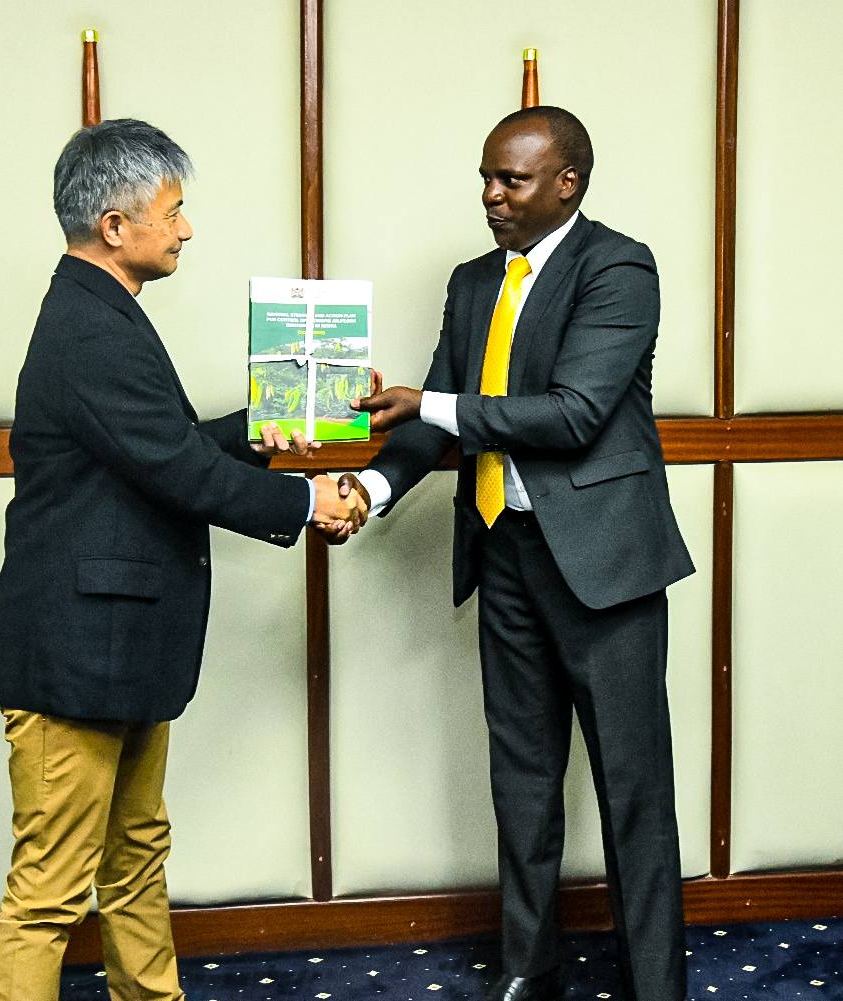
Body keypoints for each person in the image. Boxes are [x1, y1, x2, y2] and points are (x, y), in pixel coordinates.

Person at [0, 118, 366, 1001]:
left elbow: (158, 448)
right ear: (115, 226)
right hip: (78, 654)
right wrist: (310, 499)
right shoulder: (91, 327)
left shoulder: (97, 312)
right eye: (174, 210)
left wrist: (266, 434)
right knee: (47, 891)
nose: (186, 228)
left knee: (133, 857)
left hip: (116, 644)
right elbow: (175, 469)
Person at [328, 107, 694, 1001]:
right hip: (505, 553)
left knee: (633, 791)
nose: (491, 195)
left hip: (604, 566)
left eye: (512, 180)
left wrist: (431, 404)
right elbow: (430, 420)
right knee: (521, 781)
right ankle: (530, 973)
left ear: (567, 182)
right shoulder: (471, 282)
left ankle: (658, 987)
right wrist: (368, 491)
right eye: (486, 178)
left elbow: (573, 414)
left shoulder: (618, 266)